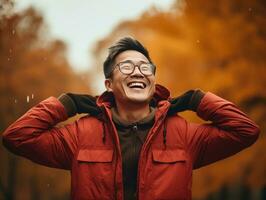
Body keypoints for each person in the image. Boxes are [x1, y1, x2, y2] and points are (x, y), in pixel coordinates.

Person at [2, 37, 260, 200]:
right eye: (126, 66)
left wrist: (198, 100)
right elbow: (17, 137)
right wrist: (66, 103)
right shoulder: (81, 134)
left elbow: (245, 130)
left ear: (153, 80)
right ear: (109, 84)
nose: (137, 71)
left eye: (144, 67)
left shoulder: (183, 133)